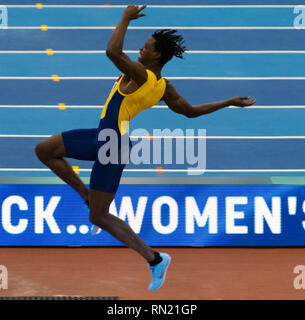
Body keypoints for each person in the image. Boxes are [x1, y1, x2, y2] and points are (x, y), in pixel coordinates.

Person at [35, 5, 256, 291]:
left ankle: (155, 259)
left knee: (99, 217)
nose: (141, 48)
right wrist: (227, 102)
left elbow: (112, 52)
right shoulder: (164, 87)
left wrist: (125, 17)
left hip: (112, 145)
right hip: (103, 135)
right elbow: (189, 111)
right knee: (44, 150)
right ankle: (87, 195)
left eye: (147, 46)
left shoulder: (140, 74)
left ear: (158, 56)